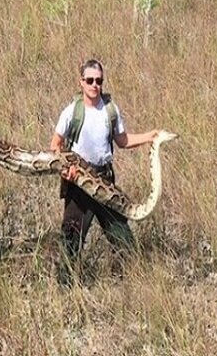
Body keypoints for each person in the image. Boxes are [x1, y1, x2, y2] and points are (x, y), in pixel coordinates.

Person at [50, 59, 159, 283]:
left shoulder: (110, 110)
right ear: (81, 82)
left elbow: (122, 140)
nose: (94, 85)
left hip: (105, 181)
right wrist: (66, 169)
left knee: (122, 236)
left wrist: (150, 136)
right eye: (89, 80)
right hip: (79, 182)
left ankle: (134, 282)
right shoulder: (72, 111)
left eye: (98, 81)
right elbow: (55, 145)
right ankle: (66, 289)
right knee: (71, 240)